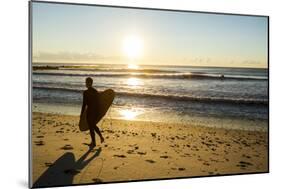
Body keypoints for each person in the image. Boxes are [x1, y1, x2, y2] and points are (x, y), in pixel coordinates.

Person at [80, 77, 104, 148]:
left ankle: (94, 142)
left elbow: (84, 104)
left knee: (91, 127)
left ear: (91, 83)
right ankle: (100, 138)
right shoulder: (95, 91)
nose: (86, 84)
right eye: (86, 82)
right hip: (94, 111)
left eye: (87, 82)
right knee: (93, 126)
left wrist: (81, 114)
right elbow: (98, 103)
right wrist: (99, 113)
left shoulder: (86, 93)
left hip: (90, 112)